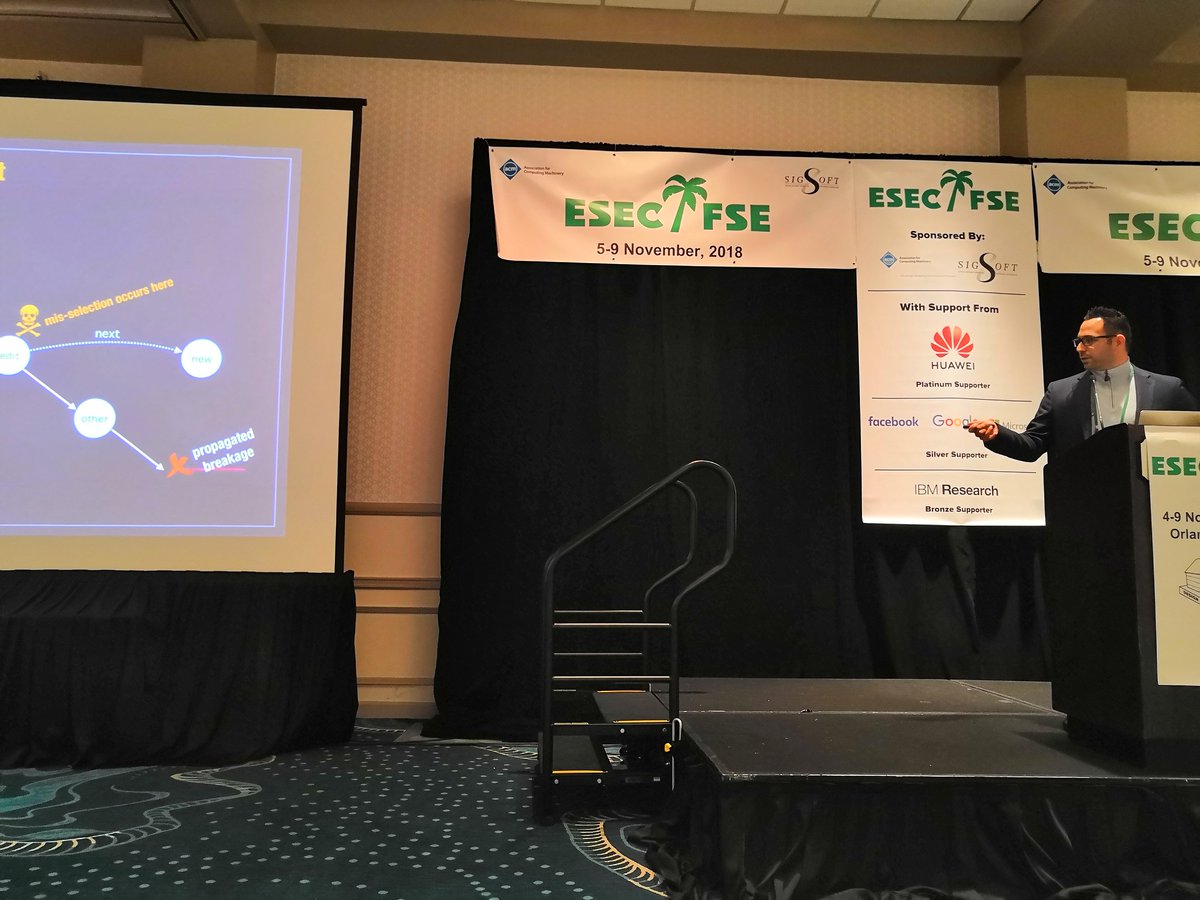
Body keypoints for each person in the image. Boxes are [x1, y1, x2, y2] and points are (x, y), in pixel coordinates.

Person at [966, 306, 1197, 464]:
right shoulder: (1060, 392)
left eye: (1089, 341)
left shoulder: (1167, 389)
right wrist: (997, 435)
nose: (1079, 348)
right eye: (1078, 341)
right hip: (1084, 500)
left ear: (1118, 341)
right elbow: (1032, 445)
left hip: (1150, 500)